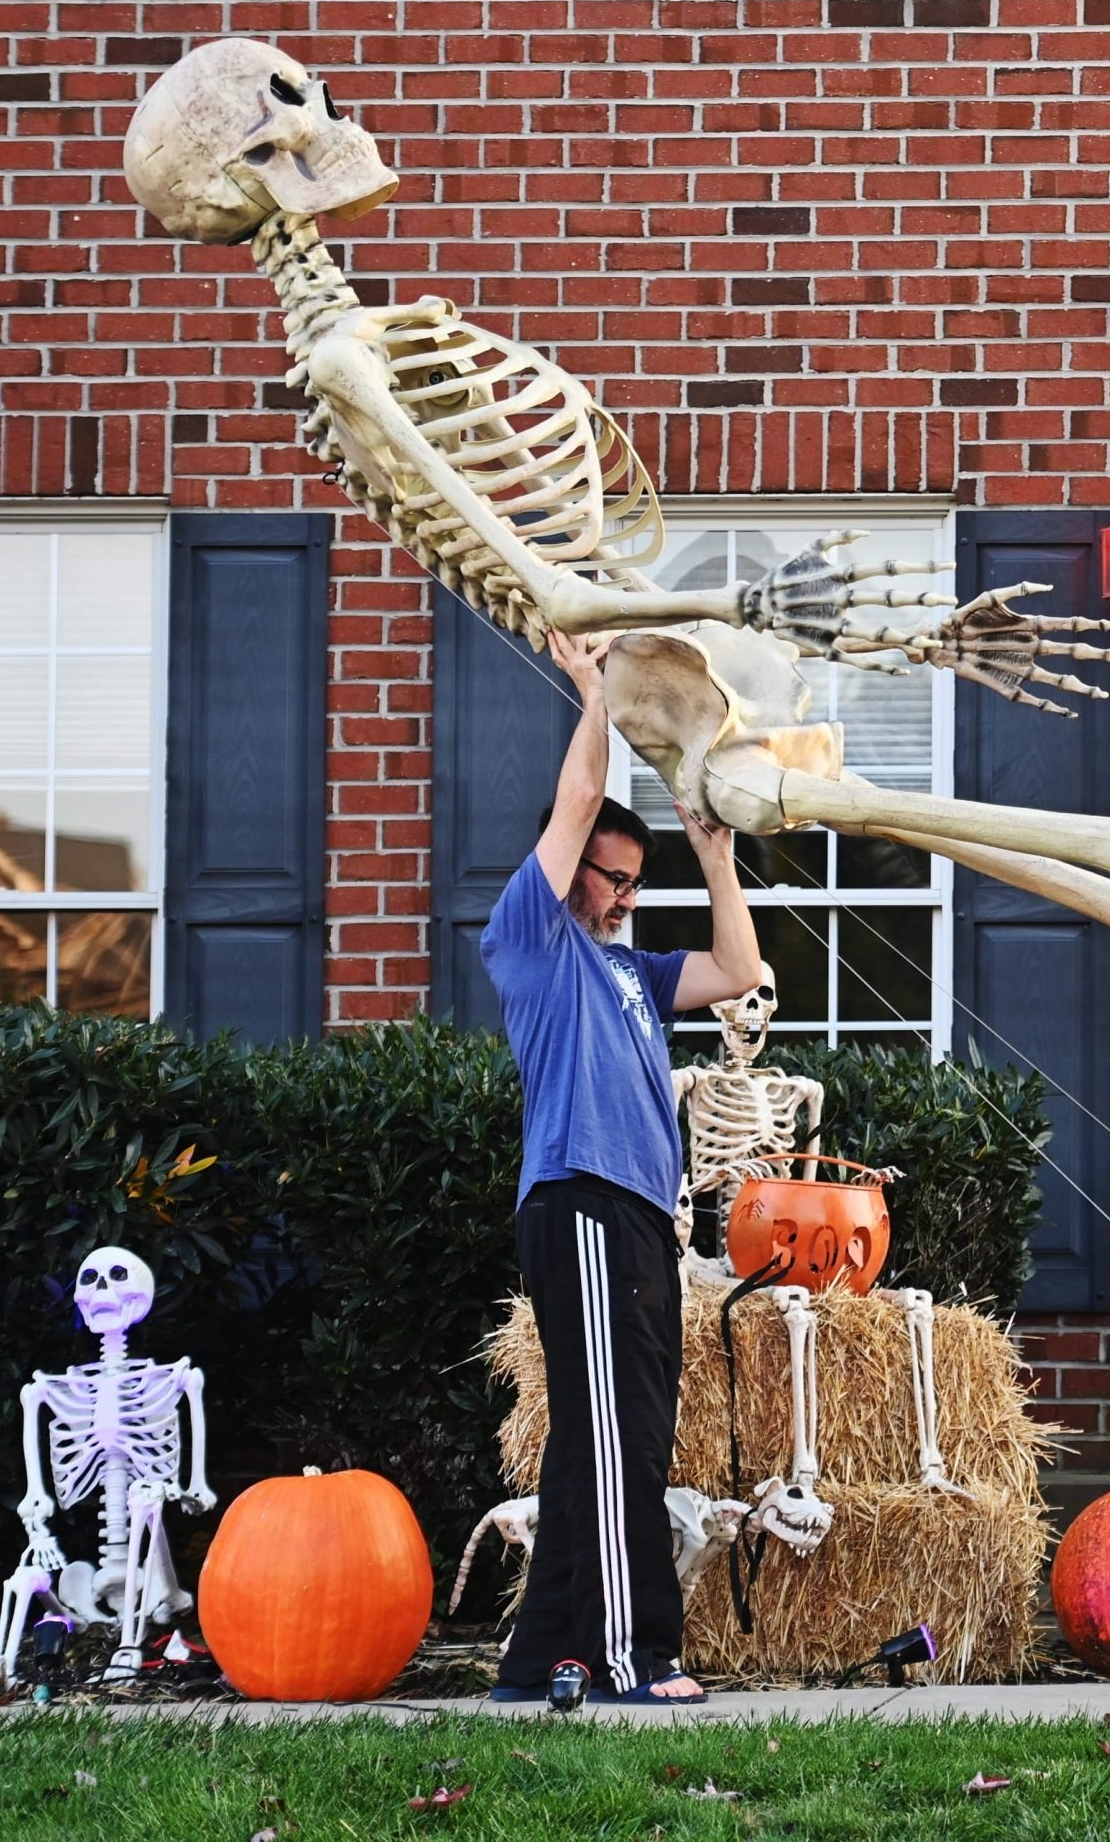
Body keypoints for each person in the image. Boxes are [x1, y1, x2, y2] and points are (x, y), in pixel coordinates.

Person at [481, 629, 762, 1706]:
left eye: (639, 881)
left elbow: (739, 968)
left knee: (613, 1439)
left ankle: (535, 1661)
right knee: (615, 1449)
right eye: (613, 877)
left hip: (642, 1220)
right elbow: (578, 796)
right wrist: (592, 691)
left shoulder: (635, 971)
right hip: (581, 1204)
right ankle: (634, 1658)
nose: (625, 897)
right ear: (573, 871)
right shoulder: (530, 939)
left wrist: (716, 855)